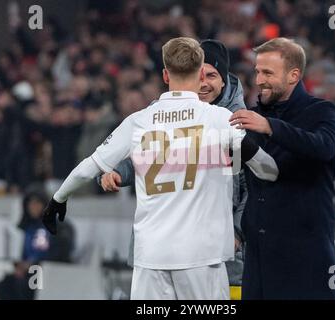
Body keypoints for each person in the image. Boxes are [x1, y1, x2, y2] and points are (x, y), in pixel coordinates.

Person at [42, 37, 279, 300]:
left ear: (165, 75)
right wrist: (254, 149)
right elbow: (269, 172)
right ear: (199, 72)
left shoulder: (140, 120)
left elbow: (88, 167)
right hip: (201, 256)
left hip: (151, 257)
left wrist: (57, 199)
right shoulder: (221, 120)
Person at [99, 39, 248, 298]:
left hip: (221, 257)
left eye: (211, 75)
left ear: (224, 80)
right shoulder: (161, 115)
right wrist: (119, 173)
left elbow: (252, 189)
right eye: (199, 75)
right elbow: (150, 153)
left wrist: (236, 232)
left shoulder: (238, 125)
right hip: (162, 253)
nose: (203, 83)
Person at [229, 37, 335, 299]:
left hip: (307, 261)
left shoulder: (323, 111)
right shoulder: (251, 117)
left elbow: (324, 147)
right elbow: (236, 176)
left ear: (293, 75)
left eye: (268, 72)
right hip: (257, 261)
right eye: (257, 71)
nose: (259, 80)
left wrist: (270, 128)